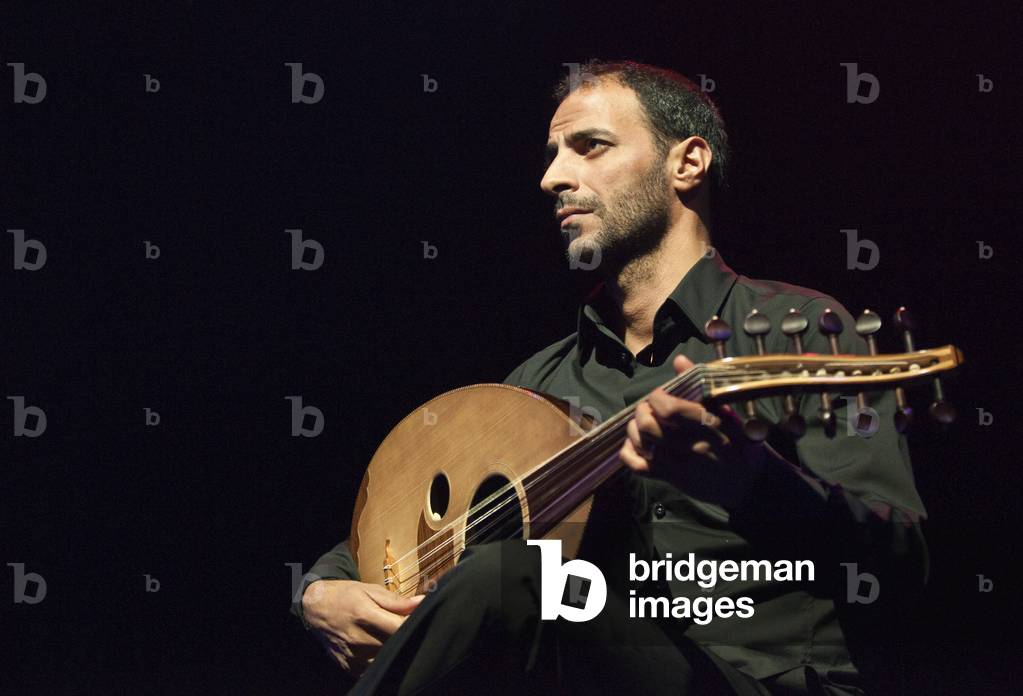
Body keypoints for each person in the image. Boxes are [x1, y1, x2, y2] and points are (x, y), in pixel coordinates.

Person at [290, 60, 928, 695]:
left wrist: (754, 482)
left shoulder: (803, 329)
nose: (551, 178)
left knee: (514, 575)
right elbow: (384, 535)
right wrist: (317, 590)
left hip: (756, 682)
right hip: (582, 674)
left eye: (589, 146)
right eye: (551, 154)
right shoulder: (538, 381)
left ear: (688, 163)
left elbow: (903, 562)